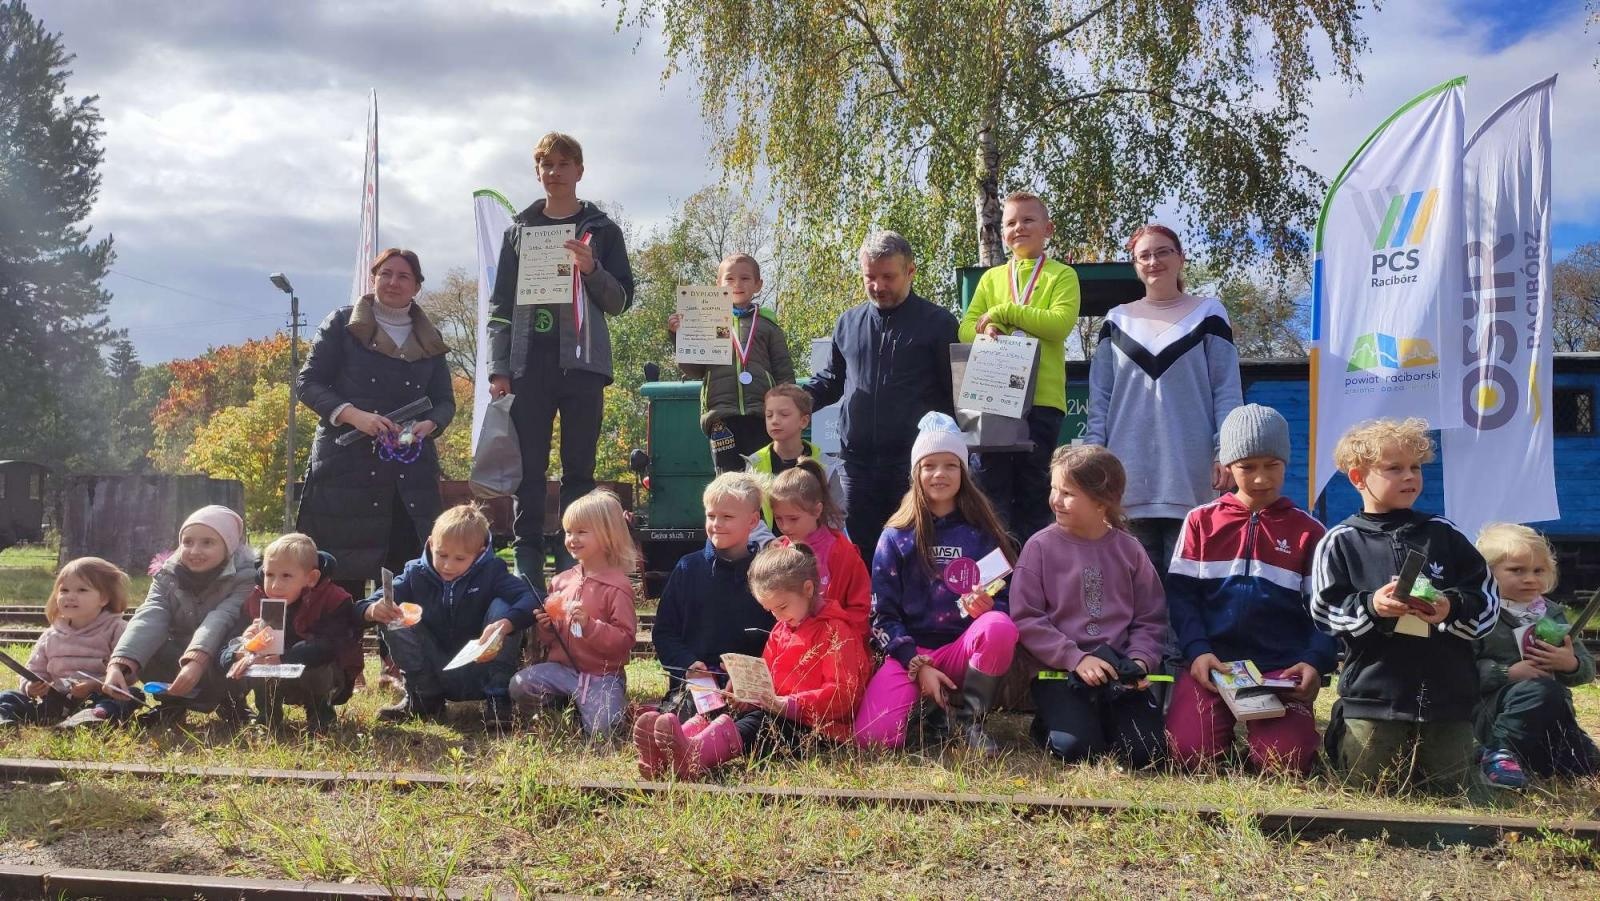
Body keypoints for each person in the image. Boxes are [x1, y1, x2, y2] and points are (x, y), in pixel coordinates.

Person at [1310, 418, 1499, 794]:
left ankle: (1480, 751)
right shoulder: (1341, 540)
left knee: (1450, 787)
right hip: (1375, 696)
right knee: (1370, 785)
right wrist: (1371, 606)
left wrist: (1451, 609)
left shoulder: (1444, 532)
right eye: (1394, 468)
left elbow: (1487, 599)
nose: (1409, 476)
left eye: (1415, 467)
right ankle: (1342, 731)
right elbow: (1323, 610)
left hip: (1447, 696)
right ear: (1357, 477)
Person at [487, 132, 635, 583]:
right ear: (538, 172)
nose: (554, 173)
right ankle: (528, 561)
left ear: (579, 171)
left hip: (584, 365)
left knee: (579, 468)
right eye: (545, 165)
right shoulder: (518, 232)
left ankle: (574, 560)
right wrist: (499, 368)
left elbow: (622, 301)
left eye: (562, 164)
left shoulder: (603, 230)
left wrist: (592, 269)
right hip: (528, 365)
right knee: (528, 468)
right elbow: (501, 307)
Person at [1164, 405, 1336, 775]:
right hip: (1213, 666)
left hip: (1280, 670)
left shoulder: (1310, 532)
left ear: (1286, 462)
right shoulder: (1199, 522)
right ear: (1227, 466)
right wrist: (1197, 652)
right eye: (1247, 467)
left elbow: (1326, 613)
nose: (1260, 479)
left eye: (1271, 465)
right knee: (1190, 756)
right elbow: (1181, 597)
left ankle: (1279, 739)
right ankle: (1217, 736)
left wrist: (1313, 661)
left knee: (1285, 763)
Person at [296, 247, 456, 603]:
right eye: (385, 274)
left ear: (417, 286)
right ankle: (341, 657)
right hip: (344, 472)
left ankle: (397, 658)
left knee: (404, 574)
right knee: (339, 578)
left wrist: (429, 424)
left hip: (408, 477)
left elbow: (445, 401)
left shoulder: (430, 337)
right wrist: (355, 415)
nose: (393, 282)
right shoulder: (340, 324)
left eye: (403, 276)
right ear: (373, 279)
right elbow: (307, 384)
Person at [854, 413, 1018, 754]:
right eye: (929, 465)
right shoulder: (896, 535)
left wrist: (985, 608)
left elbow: (1004, 605)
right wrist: (917, 663)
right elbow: (881, 615)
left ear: (964, 473)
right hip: (909, 655)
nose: (940, 474)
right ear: (916, 473)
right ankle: (929, 712)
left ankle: (969, 721)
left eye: (950, 465)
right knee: (873, 739)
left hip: (963, 650)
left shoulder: (984, 533)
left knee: (998, 626)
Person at [1085, 224, 1242, 579]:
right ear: (1135, 265)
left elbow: (1227, 390)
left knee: (1187, 589)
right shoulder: (1116, 320)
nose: (1153, 261)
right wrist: (1094, 461)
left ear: (1181, 258)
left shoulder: (1210, 314)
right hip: (1126, 478)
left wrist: (1225, 453)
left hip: (1191, 475)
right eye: (1144, 255)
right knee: (1132, 590)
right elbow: (1101, 401)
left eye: (1163, 252)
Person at [637, 542, 871, 779]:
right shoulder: (783, 628)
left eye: (782, 607)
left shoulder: (837, 631)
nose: (777, 616)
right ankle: (665, 751)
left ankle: (694, 755)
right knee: (721, 709)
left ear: (808, 589)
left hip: (820, 729)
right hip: (776, 711)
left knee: (761, 724)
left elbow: (844, 695)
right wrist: (745, 690)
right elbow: (766, 673)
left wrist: (788, 704)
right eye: (769, 610)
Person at [1010, 445, 1168, 767]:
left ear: (1102, 501)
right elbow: (1027, 618)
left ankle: (1105, 717)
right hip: (1060, 671)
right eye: (1053, 489)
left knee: (1145, 754)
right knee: (1078, 750)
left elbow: (1150, 618)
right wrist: (1074, 657)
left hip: (1117, 669)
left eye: (1067, 492)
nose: (1055, 499)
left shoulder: (1130, 550)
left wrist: (1139, 660)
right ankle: (1048, 724)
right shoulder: (1039, 547)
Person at [807, 231, 959, 562]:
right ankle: (869, 615)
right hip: (857, 464)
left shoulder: (939, 323)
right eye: (870, 277)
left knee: (915, 551)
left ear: (911, 272)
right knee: (863, 553)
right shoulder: (848, 322)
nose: (878, 286)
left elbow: (954, 394)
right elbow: (833, 379)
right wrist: (799, 400)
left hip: (913, 463)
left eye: (888, 276)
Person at [958, 191, 1081, 543]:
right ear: (1001, 233)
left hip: (1042, 402)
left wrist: (1004, 313)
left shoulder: (1062, 276)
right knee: (989, 493)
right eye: (1010, 222)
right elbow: (967, 326)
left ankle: (1035, 581)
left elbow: (1059, 324)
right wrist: (986, 329)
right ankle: (998, 585)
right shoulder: (991, 279)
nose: (1019, 228)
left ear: (1048, 228)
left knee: (1035, 492)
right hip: (994, 398)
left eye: (1028, 220)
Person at [358, 504, 539, 729]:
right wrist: (373, 609)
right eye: (441, 555)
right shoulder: (414, 573)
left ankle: (498, 700)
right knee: (395, 613)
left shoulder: (493, 572)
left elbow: (533, 598)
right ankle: (423, 699)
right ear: (431, 544)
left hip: (480, 666)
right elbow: (365, 604)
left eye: (459, 559)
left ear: (480, 553)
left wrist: (506, 623)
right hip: (433, 668)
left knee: (504, 606)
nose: (447, 565)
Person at [103, 506, 256, 726]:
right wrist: (119, 664)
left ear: (229, 545)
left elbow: (221, 617)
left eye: (207, 542)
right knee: (146, 642)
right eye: (188, 542)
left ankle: (232, 701)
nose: (194, 550)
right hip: (180, 651)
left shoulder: (245, 577)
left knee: (235, 649)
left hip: (218, 650)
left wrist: (195, 661)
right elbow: (150, 615)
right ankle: (171, 703)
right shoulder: (167, 575)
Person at [1471, 523, 1598, 787]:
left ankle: (1544, 762)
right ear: (1487, 573)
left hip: (1553, 719)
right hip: (1494, 717)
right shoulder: (1479, 614)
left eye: (1538, 571)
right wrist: (1507, 672)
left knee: (1586, 761)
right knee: (1540, 691)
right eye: (1516, 570)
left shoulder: (1550, 612)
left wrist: (1570, 663)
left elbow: (1586, 669)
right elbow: (1458, 670)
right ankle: (1496, 754)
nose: (1530, 578)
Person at [510, 490, 639, 742]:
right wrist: (547, 626)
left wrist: (590, 626)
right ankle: (555, 713)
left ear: (608, 536)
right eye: (568, 532)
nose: (572, 539)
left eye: (581, 532)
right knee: (520, 684)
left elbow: (625, 641)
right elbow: (551, 640)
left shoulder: (617, 587)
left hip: (602, 675)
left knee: (604, 733)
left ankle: (595, 711)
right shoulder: (561, 581)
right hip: (563, 670)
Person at [650, 472, 775, 720]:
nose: (717, 524)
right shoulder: (688, 568)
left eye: (727, 517)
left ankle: (716, 739)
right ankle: (682, 738)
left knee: (762, 721)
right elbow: (664, 632)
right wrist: (688, 665)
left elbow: (779, 637)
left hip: (749, 686)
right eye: (711, 516)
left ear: (752, 521)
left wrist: (747, 678)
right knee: (693, 711)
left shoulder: (767, 573)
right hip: (698, 682)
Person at [219, 534, 361, 733]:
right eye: (269, 575)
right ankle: (267, 719)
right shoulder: (256, 599)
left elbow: (330, 645)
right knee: (261, 666)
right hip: (275, 675)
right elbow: (226, 646)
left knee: (317, 668)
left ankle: (321, 716)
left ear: (311, 578)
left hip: (324, 675)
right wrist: (241, 648)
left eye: (286, 576)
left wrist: (284, 657)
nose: (275, 585)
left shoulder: (333, 599)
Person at [669, 253, 795, 473]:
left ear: (758, 285)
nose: (737, 284)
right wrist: (679, 336)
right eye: (729, 279)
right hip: (721, 416)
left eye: (745, 278)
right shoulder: (705, 321)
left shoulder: (768, 325)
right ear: (718, 284)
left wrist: (788, 409)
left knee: (762, 476)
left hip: (761, 414)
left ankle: (761, 510)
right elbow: (694, 370)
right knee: (728, 478)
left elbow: (783, 369)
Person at [0, 557, 132, 729]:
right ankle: (4, 720)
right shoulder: (51, 635)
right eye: (64, 590)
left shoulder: (116, 628)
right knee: (8, 696)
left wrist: (94, 685)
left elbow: (128, 673)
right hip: (55, 700)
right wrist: (31, 687)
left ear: (104, 598)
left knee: (127, 698)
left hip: (97, 697)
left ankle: (91, 718)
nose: (70, 596)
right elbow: (34, 669)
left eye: (82, 590)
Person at [768, 459, 870, 643]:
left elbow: (860, 608)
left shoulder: (842, 551)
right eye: (778, 519)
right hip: (794, 643)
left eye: (793, 519)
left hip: (835, 645)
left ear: (817, 510)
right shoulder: (781, 549)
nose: (785, 527)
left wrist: (837, 636)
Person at [746, 383, 845, 529]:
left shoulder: (828, 466)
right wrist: (768, 542)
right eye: (769, 415)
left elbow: (836, 518)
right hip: (769, 547)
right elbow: (749, 515)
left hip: (816, 548)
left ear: (804, 421)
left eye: (784, 414)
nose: (774, 420)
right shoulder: (754, 463)